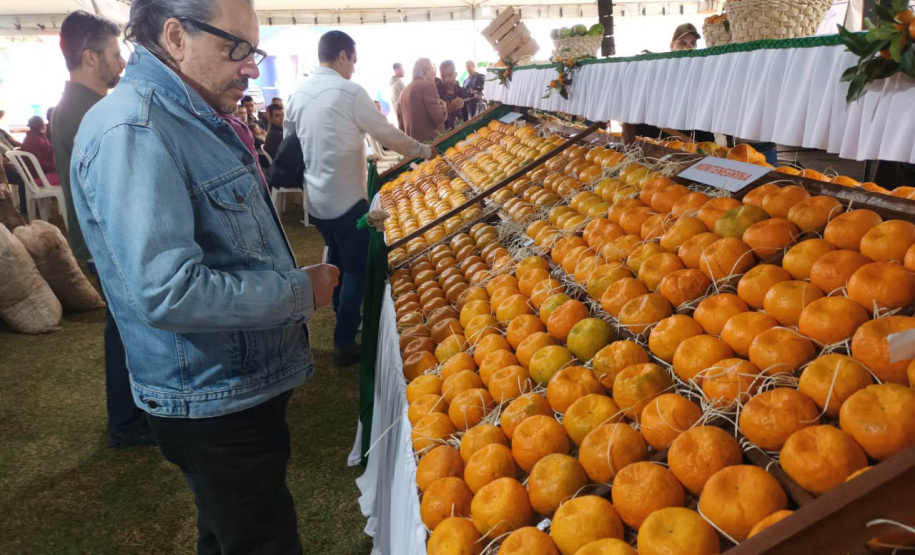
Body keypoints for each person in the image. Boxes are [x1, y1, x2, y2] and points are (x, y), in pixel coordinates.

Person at [71, 0, 340, 552]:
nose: (249, 65)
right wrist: (299, 291)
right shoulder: (136, 128)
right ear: (175, 36)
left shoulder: (183, 114)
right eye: (235, 47)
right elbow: (169, 290)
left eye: (253, 49)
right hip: (212, 396)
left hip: (228, 386)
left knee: (227, 531)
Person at [285, 30, 434, 367]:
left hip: (316, 202)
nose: (354, 66)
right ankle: (344, 340)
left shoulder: (299, 93)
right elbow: (386, 132)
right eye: (353, 59)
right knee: (355, 267)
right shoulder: (348, 92)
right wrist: (422, 150)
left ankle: (342, 313)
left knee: (336, 258)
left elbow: (292, 142)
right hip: (347, 200)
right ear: (341, 55)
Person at [621, 23, 714, 145]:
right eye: (682, 43)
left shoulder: (701, 73)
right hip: (659, 136)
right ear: (672, 46)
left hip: (691, 137)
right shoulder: (660, 70)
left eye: (693, 43)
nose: (688, 47)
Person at [398, 58, 448, 143]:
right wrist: (443, 106)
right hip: (430, 145)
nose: (434, 75)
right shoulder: (428, 85)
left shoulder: (403, 92)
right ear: (426, 70)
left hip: (413, 147)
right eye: (433, 70)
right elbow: (439, 118)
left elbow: (401, 127)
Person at [21, 116, 60, 185]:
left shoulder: (31, 137)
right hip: (40, 176)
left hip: (39, 174)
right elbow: (40, 163)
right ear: (42, 125)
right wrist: (58, 167)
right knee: (69, 177)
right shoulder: (36, 140)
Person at [436, 60, 472, 130]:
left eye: (449, 75)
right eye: (443, 76)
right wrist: (450, 109)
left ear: (455, 74)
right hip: (445, 136)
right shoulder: (436, 94)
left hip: (463, 131)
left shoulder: (462, 92)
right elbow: (435, 120)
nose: (446, 79)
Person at [390, 62, 405, 130]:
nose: (404, 70)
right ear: (397, 70)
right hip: (404, 115)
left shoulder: (392, 85)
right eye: (402, 68)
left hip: (400, 116)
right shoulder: (398, 84)